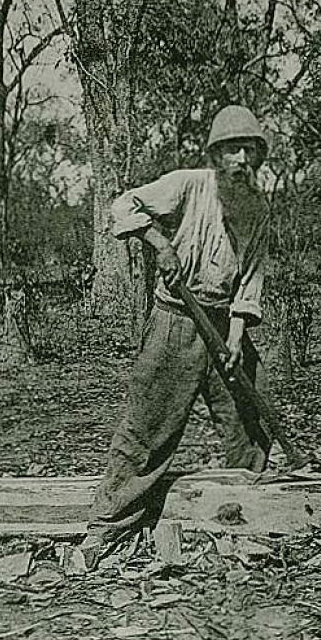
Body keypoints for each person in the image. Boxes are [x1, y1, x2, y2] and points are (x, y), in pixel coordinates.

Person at [80, 105, 272, 569]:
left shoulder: (258, 208)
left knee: (250, 421)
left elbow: (249, 279)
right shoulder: (188, 185)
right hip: (176, 321)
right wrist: (160, 243)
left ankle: (246, 517)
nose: (240, 159)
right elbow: (123, 205)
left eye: (248, 149)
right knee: (148, 429)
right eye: (231, 149)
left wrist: (236, 336)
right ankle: (107, 525)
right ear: (215, 155)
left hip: (225, 324)